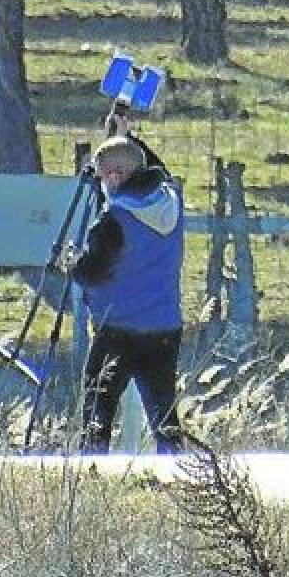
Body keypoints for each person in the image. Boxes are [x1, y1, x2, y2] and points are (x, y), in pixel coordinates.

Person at [64, 113, 185, 453]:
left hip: (118, 329)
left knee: (97, 413)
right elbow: (156, 169)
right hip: (165, 327)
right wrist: (127, 138)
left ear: (115, 177)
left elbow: (91, 272)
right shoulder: (170, 201)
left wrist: (71, 262)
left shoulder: (114, 220)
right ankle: (180, 472)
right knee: (164, 414)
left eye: (103, 177)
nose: (102, 184)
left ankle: (91, 472)